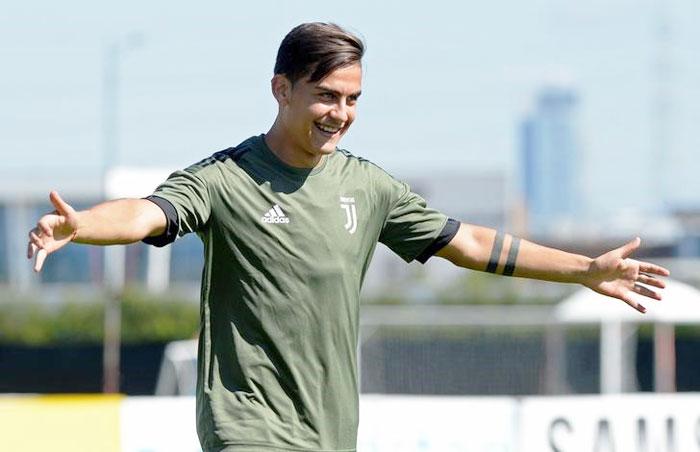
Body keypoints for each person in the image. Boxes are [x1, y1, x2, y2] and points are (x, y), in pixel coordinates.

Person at [27, 22, 669, 452]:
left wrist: (583, 270)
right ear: (281, 90)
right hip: (246, 426)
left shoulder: (369, 188)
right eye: (326, 96)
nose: (342, 114)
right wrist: (81, 226)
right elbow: (147, 213)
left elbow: (469, 242)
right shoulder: (224, 179)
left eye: (353, 99)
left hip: (331, 432)